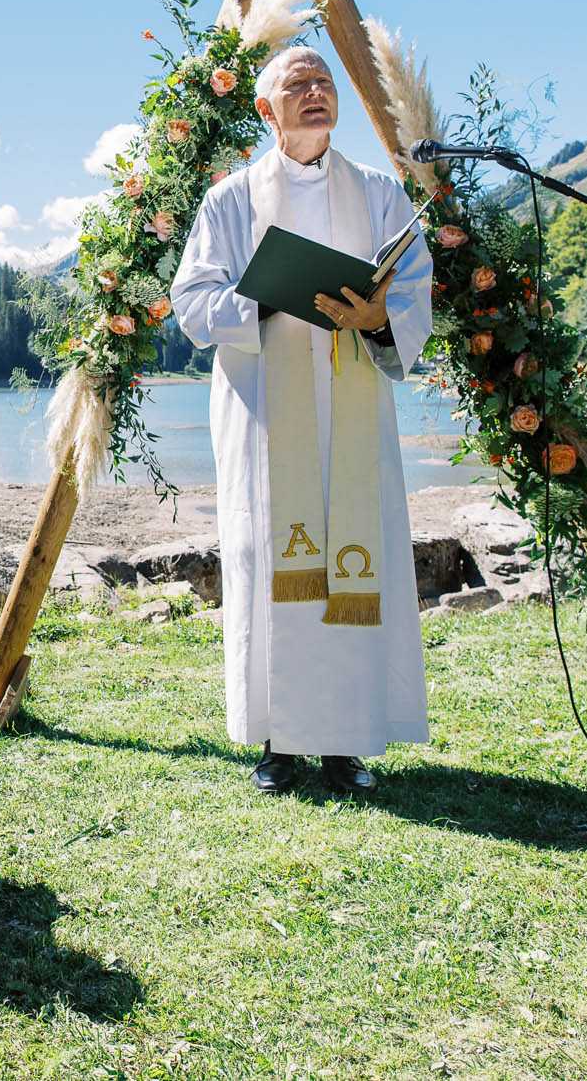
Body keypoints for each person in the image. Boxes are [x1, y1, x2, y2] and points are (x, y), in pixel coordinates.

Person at [169, 48, 434, 796]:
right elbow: (193, 301)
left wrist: (381, 316)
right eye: (298, 85)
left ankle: (346, 744)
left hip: (350, 402)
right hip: (265, 414)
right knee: (268, 563)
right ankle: (279, 745)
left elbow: (414, 288)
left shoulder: (379, 194)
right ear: (266, 109)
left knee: (356, 554)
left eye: (325, 83)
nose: (316, 94)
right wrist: (268, 296)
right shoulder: (230, 202)